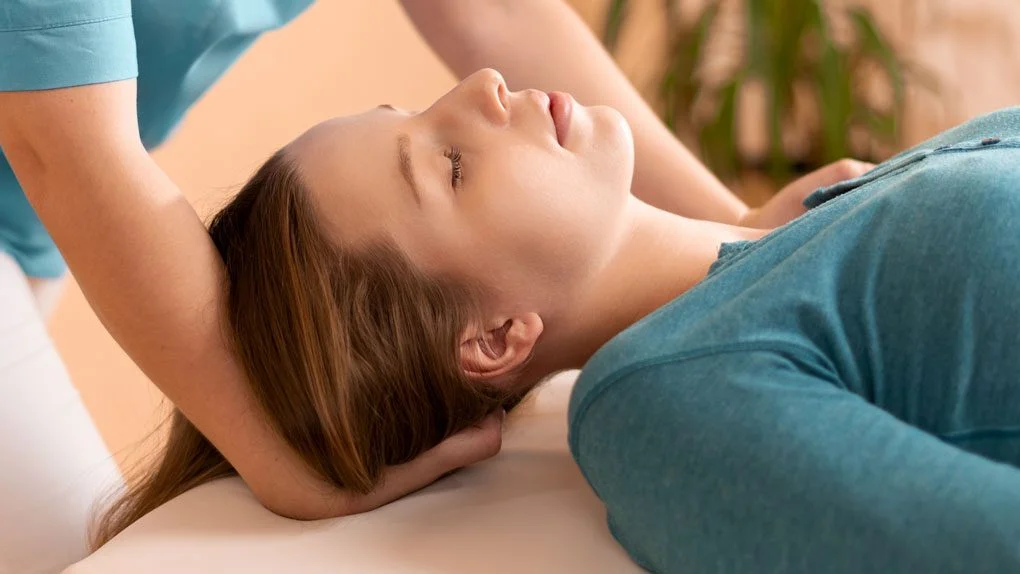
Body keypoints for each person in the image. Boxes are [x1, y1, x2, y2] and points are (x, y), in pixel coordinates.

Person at [86, 66, 1020, 573]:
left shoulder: (819, 210)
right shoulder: (664, 398)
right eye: (450, 165)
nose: (481, 86)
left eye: (419, 107)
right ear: (495, 339)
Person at [0, 2, 814, 572]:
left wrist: (742, 229)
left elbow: (488, 11)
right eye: (451, 167)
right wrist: (291, 461)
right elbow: (62, 146)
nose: (486, 83)